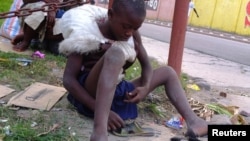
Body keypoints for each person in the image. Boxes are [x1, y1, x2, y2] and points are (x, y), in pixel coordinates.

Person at [59, 0, 207, 141]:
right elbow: (69, 80)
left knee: (168, 72)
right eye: (125, 26)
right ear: (111, 15)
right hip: (90, 92)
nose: (129, 32)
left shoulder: (132, 35)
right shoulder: (87, 32)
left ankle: (194, 121)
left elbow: (147, 66)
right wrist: (99, 110)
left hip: (115, 89)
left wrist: (145, 87)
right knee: (115, 53)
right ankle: (99, 131)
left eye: (135, 28)